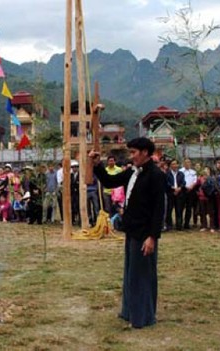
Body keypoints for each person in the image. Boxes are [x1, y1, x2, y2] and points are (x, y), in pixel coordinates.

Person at [90, 137, 166, 329]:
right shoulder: (132, 172)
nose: (131, 156)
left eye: (134, 152)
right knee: (131, 273)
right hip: (131, 230)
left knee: (143, 275)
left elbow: (159, 209)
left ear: (145, 153)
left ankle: (143, 317)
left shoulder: (155, 175)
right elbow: (110, 180)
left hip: (145, 233)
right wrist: (97, 164)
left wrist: (152, 237)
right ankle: (129, 311)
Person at [166, 159, 186, 231]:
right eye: (173, 164)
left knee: (179, 210)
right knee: (169, 210)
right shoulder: (167, 173)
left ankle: (179, 226)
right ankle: (169, 226)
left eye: (175, 164)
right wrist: (173, 188)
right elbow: (166, 183)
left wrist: (179, 188)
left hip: (179, 194)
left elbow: (183, 182)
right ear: (170, 165)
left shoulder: (181, 174)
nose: (174, 165)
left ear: (178, 165)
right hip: (170, 193)